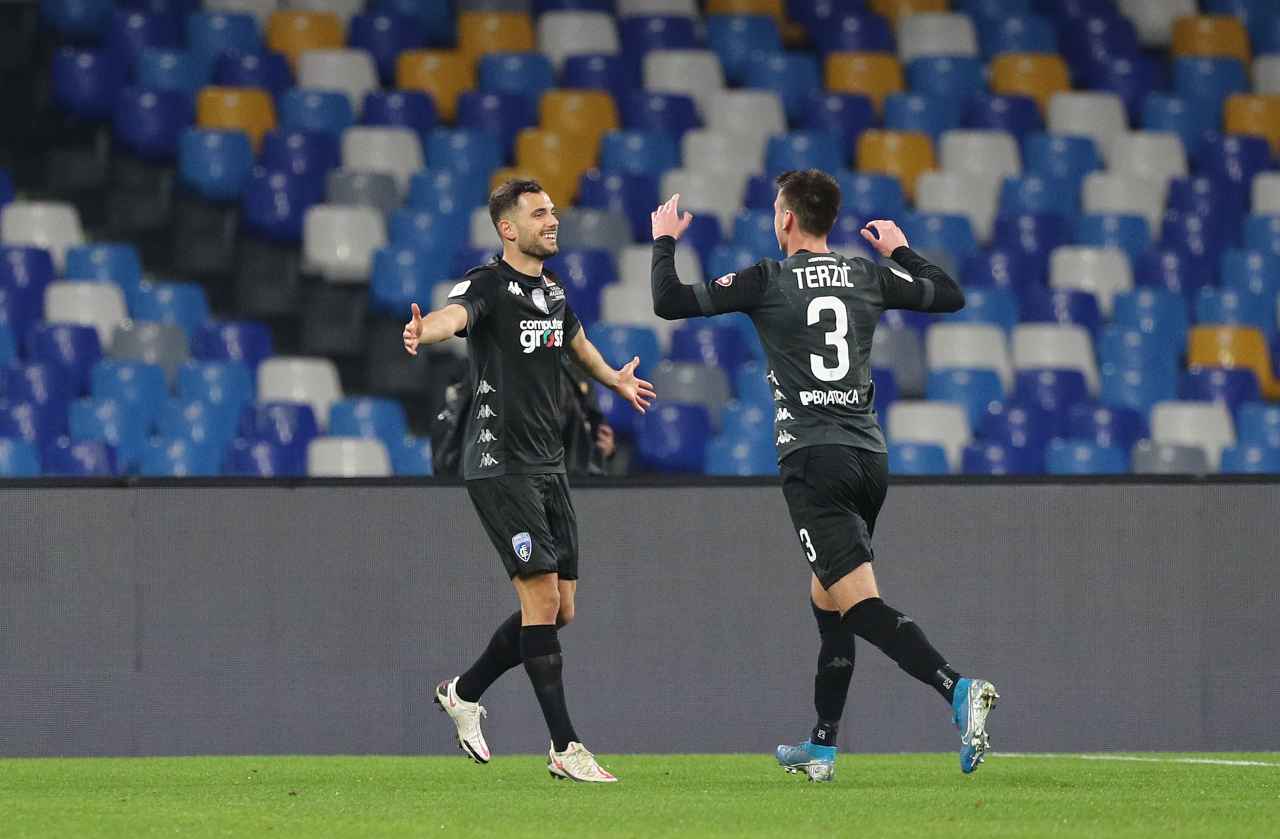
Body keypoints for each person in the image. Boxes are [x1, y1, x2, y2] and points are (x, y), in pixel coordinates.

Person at [648, 170, 999, 781]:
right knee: (828, 599)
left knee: (859, 604)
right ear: (829, 222)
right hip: (869, 460)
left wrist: (663, 241)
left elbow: (669, 302)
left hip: (814, 460)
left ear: (786, 218)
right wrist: (899, 249)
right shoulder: (865, 274)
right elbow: (949, 295)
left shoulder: (768, 279)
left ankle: (957, 688)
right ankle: (822, 744)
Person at [403, 179, 655, 783]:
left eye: (552, 211)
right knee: (540, 598)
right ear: (507, 228)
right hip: (500, 462)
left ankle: (463, 691)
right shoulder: (488, 282)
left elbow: (577, 344)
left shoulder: (553, 292)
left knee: (560, 609)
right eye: (539, 213)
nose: (552, 220)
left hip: (548, 464)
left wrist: (614, 378)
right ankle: (565, 747)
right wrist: (425, 330)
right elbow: (454, 315)